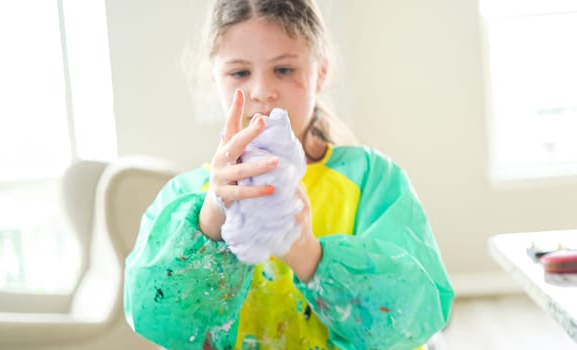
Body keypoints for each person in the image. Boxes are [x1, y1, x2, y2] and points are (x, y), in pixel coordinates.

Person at [124, 0, 454, 349]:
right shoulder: (184, 197)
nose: (262, 91)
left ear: (321, 71)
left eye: (283, 69)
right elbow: (158, 319)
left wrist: (308, 255)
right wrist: (211, 220)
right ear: (214, 77)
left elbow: (415, 314)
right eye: (239, 73)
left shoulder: (373, 181)